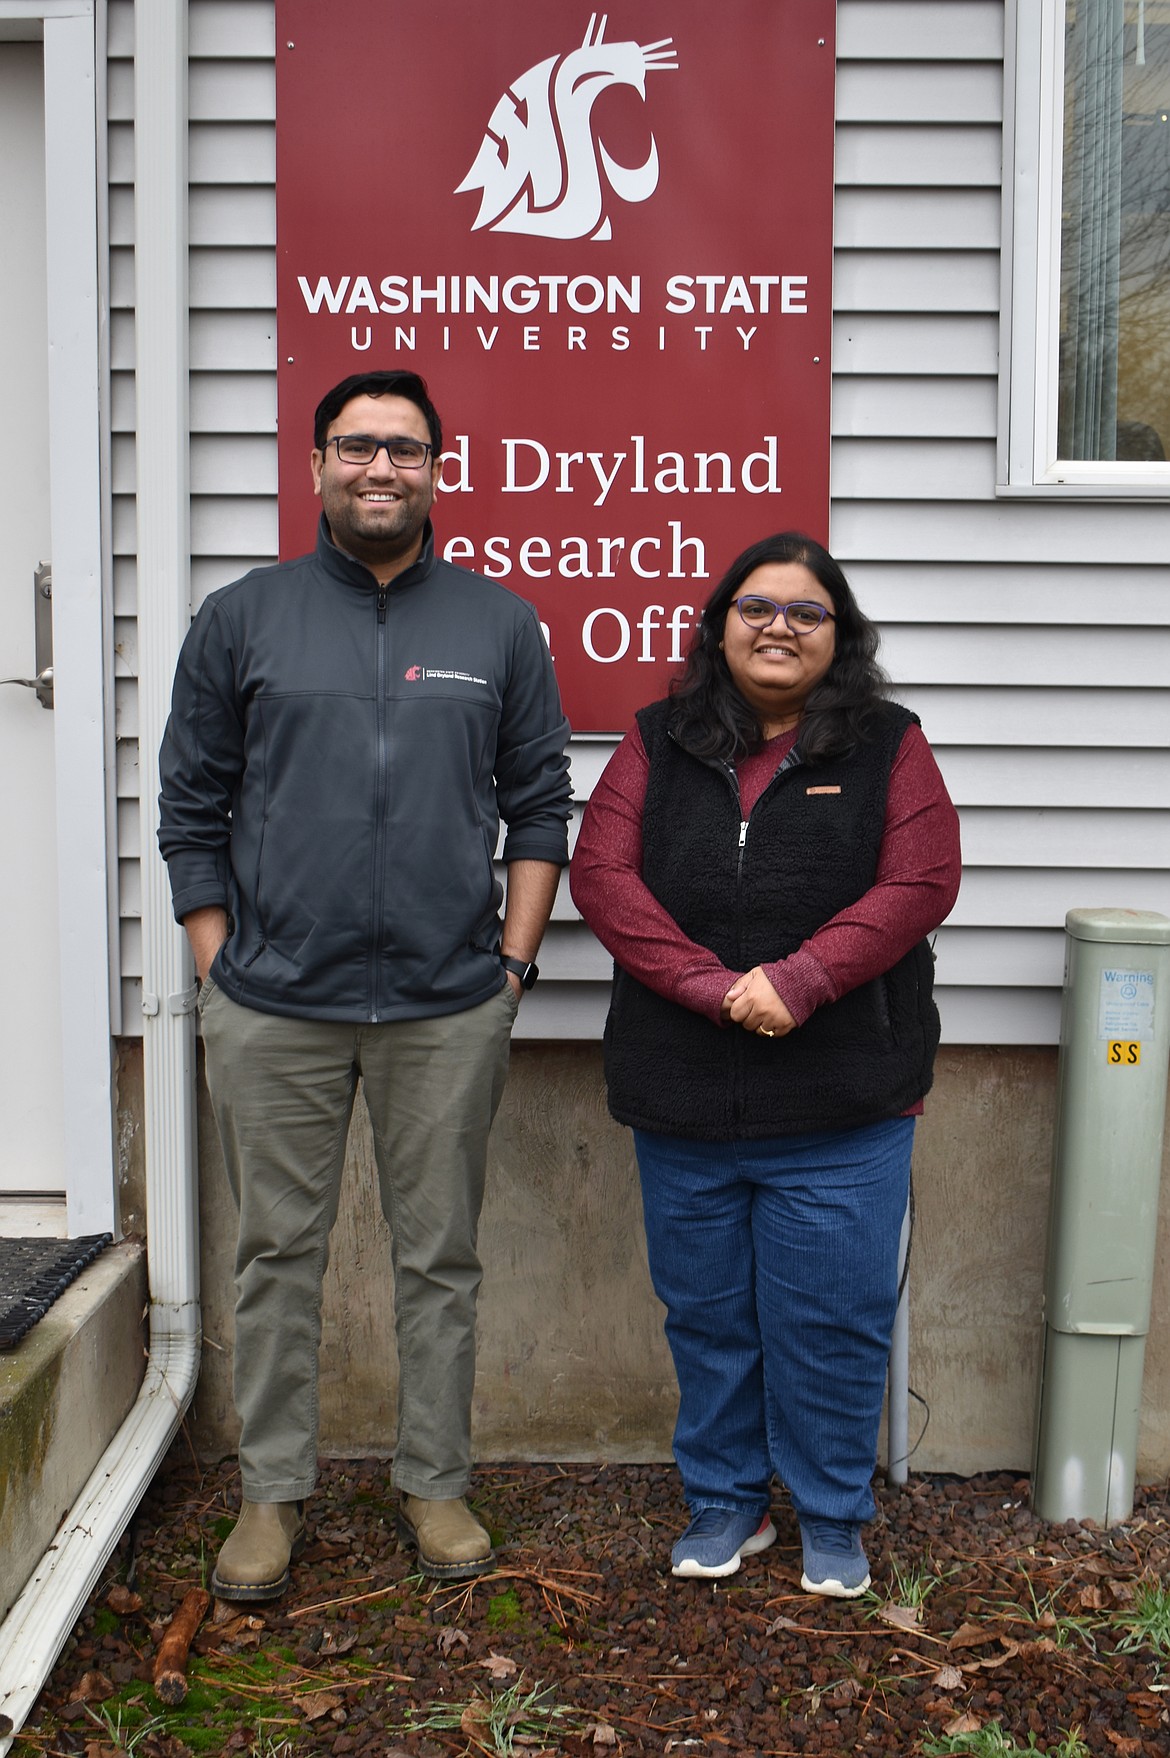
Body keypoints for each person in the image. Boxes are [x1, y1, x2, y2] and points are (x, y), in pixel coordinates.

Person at [159, 369, 571, 1600]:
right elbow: (190, 808)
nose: (379, 467)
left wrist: (511, 968)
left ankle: (432, 1481)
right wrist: (217, 966)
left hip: (449, 1006)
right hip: (274, 1004)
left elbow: (540, 807)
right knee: (275, 1253)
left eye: (403, 448)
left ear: (438, 468)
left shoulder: (498, 626)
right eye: (356, 446)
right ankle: (271, 1496)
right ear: (318, 465)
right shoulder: (244, 617)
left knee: (439, 1256)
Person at [570, 532, 960, 1596]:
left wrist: (803, 978)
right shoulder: (660, 740)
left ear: (840, 636)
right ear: (718, 626)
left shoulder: (889, 744)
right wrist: (709, 987)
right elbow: (603, 877)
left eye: (806, 610)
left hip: (842, 1103)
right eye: (756, 606)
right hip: (684, 1095)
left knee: (830, 1319)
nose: (779, 625)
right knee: (707, 1317)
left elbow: (919, 884)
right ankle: (728, 1502)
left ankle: (832, 1513)